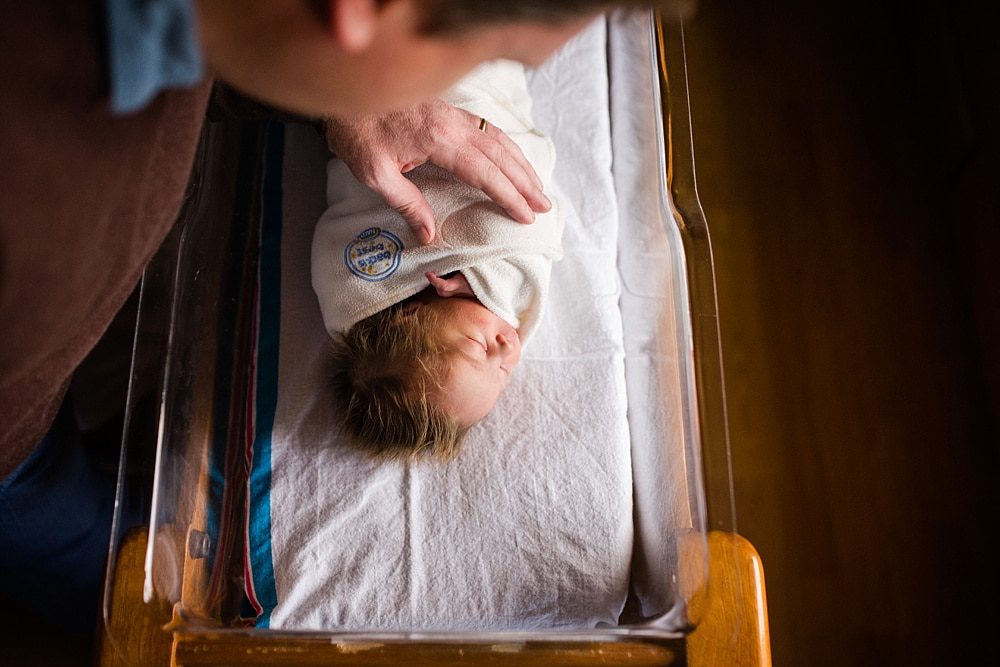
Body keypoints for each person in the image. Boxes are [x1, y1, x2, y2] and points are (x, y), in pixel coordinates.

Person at [0, 0, 675, 642]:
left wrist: (346, 113)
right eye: (484, 52)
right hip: (14, 439)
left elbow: (225, 60)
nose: (466, 95)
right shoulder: (34, 221)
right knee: (126, 596)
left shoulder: (197, 49)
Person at [313, 60, 564, 459]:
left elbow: (339, 233)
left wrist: (470, 275)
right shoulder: (500, 285)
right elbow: (535, 232)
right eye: (503, 375)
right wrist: (486, 283)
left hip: (402, 89)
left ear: (409, 315)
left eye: (481, 349)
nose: (509, 349)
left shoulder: (353, 290)